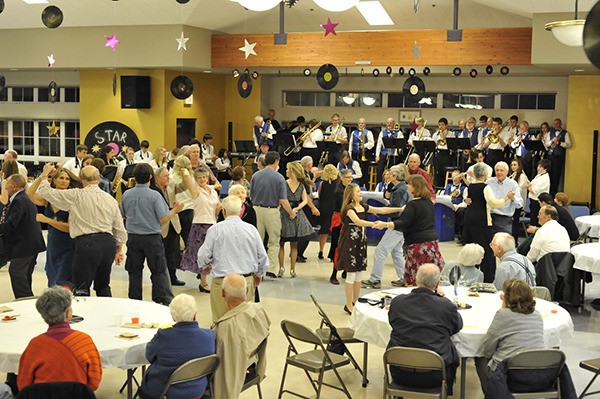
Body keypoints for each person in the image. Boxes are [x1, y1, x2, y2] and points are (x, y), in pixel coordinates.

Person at [37, 164, 127, 297]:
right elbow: (119, 228)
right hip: (108, 244)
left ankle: (85, 314)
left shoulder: (76, 195)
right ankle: (107, 314)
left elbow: (45, 192)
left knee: (81, 287)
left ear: (80, 178)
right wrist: (119, 250)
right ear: (98, 178)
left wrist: (45, 175)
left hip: (87, 244)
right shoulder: (110, 199)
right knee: (103, 285)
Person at [388, 264, 463, 395]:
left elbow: (392, 322)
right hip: (435, 375)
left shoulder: (397, 303)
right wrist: (442, 299)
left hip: (399, 371)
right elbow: (457, 326)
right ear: (437, 283)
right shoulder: (445, 306)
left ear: (416, 280)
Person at [197, 196, 268, 322]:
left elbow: (202, 255)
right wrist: (259, 274)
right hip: (245, 281)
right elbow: (262, 256)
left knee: (221, 321)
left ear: (224, 211)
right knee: (245, 321)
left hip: (222, 282)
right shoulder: (251, 229)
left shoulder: (215, 230)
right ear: (240, 211)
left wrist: (205, 266)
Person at [17, 286, 102, 391]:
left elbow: (23, 385)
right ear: (68, 313)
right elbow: (94, 382)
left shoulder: (35, 345)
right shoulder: (84, 341)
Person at [121, 163, 181, 305]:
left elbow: (123, 215)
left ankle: (135, 301)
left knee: (134, 271)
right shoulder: (154, 196)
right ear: (150, 177)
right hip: (152, 238)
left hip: (133, 237)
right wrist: (175, 210)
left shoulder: (126, 194)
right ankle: (159, 300)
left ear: (134, 177)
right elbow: (163, 218)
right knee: (158, 271)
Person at [338, 183, 401, 313]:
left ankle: (356, 301)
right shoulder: (349, 209)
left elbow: (382, 210)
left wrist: (399, 209)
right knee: (351, 273)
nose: (360, 194)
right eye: (358, 192)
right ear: (351, 194)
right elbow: (358, 222)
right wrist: (376, 224)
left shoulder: (363, 207)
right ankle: (348, 303)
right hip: (350, 242)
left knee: (359, 273)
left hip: (360, 242)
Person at [139, 293, 216, 399]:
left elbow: (149, 356)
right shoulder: (210, 336)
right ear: (195, 315)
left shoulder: (163, 336)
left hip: (165, 391)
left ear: (173, 317)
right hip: (196, 390)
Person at [474, 278, 543, 394]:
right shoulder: (537, 315)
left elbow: (487, 350)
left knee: (479, 358)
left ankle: (493, 395)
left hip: (508, 375)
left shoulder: (503, 315)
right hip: (535, 372)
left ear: (507, 298)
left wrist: (504, 305)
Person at [373, 174, 445, 286]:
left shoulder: (413, 205)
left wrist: (385, 224)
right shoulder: (429, 203)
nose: (407, 186)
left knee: (417, 276)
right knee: (430, 275)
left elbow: (403, 223)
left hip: (418, 244)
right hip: (432, 243)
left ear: (416, 187)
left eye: (409, 184)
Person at [212, 274, 271, 399]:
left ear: (222, 293)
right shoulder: (259, 311)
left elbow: (222, 370)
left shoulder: (223, 329)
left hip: (232, 379)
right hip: (252, 367)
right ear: (247, 291)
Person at [27, 167, 81, 286]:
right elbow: (30, 195)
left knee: (63, 279)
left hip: (68, 244)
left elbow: (69, 228)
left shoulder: (72, 200)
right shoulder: (48, 199)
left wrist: (47, 220)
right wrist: (43, 175)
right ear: (54, 180)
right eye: (61, 178)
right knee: (52, 276)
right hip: (53, 243)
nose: (64, 181)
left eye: (67, 179)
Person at [462, 163, 513, 282]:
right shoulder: (485, 187)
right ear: (485, 174)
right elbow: (494, 203)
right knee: (486, 250)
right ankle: (488, 279)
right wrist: (506, 197)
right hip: (482, 221)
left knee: (472, 248)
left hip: (469, 219)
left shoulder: (471, 186)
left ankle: (471, 276)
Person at [363, 165, 411, 289]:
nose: (386, 175)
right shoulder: (400, 187)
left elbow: (395, 209)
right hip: (404, 225)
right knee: (397, 252)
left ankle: (375, 279)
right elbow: (387, 197)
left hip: (397, 225)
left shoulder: (399, 190)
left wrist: (380, 212)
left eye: (389, 174)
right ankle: (405, 278)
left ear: (395, 176)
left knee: (380, 251)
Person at [250, 151, 295, 279]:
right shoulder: (279, 178)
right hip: (272, 211)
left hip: (257, 209)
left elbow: (251, 195)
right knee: (274, 241)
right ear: (276, 162)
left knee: (257, 240)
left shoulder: (255, 175)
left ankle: (257, 269)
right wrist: (291, 213)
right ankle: (271, 269)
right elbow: (283, 200)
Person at [0, 174, 46, 298]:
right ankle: (28, 303)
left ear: (14, 186)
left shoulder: (19, 201)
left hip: (25, 246)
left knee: (17, 273)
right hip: (30, 245)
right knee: (24, 277)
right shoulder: (23, 198)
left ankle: (25, 302)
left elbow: (11, 223)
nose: (5, 187)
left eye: (7, 184)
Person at [179, 168, 221, 293]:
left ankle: (203, 276)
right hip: (200, 226)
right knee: (202, 254)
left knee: (211, 255)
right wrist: (186, 173)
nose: (202, 180)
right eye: (199, 178)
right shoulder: (196, 191)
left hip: (212, 225)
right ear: (196, 180)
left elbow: (217, 207)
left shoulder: (212, 191)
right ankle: (203, 282)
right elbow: (188, 180)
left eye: (204, 177)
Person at [278, 162, 315, 278]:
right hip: (297, 213)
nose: (286, 171)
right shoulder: (301, 185)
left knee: (281, 243)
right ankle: (292, 269)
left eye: (288, 169)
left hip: (285, 213)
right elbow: (305, 200)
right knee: (294, 244)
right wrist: (296, 208)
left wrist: (290, 210)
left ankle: (281, 268)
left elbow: (281, 199)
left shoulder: (284, 184)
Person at [152, 166, 185, 286]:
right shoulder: (153, 190)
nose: (168, 178)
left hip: (173, 223)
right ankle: (162, 278)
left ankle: (173, 277)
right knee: (161, 254)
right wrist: (175, 209)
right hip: (161, 225)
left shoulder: (171, 186)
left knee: (173, 252)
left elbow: (184, 187)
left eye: (168, 175)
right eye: (165, 176)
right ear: (157, 178)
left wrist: (185, 174)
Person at [328, 169, 353, 284]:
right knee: (338, 246)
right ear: (342, 178)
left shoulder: (349, 189)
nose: (350, 179)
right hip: (339, 221)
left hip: (346, 219)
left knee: (347, 246)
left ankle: (345, 270)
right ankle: (334, 273)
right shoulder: (339, 192)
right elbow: (344, 206)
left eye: (351, 177)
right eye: (348, 177)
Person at [486, 162, 523, 235]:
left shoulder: (513, 184)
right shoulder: (489, 182)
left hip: (505, 219)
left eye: (501, 170)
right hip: (490, 217)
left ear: (507, 172)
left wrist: (512, 198)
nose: (499, 172)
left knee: (503, 244)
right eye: (497, 170)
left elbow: (519, 204)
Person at [544, 118, 572, 195]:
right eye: (554, 124)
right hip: (550, 156)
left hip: (558, 157)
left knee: (556, 175)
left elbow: (569, 144)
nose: (555, 125)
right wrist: (552, 141)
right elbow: (546, 144)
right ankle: (548, 193)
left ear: (560, 124)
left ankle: (554, 194)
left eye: (557, 123)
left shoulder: (565, 133)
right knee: (549, 175)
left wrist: (559, 143)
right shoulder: (550, 132)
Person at [316, 165, 338, 260]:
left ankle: (321, 251)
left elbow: (319, 195)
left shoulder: (322, 184)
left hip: (324, 210)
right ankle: (333, 253)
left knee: (324, 232)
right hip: (334, 210)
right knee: (335, 233)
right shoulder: (338, 184)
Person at [348, 118, 374, 187]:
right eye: (359, 123)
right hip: (355, 154)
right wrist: (349, 154)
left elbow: (372, 144)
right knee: (355, 169)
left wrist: (364, 145)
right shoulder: (354, 132)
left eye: (362, 123)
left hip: (364, 154)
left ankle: (364, 185)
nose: (361, 124)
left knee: (364, 171)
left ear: (365, 124)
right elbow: (351, 144)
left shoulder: (368, 132)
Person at [526, 158, 551, 227]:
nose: (538, 168)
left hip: (537, 202)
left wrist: (529, 187)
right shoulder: (539, 175)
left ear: (545, 168)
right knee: (532, 221)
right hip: (533, 201)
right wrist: (529, 186)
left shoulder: (544, 178)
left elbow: (534, 191)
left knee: (535, 222)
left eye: (540, 166)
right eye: (538, 166)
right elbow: (530, 185)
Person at [509, 158, 529, 241]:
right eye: (512, 165)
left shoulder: (522, 176)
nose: (513, 167)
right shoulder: (513, 175)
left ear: (519, 166)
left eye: (515, 165)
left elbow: (520, 190)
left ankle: (515, 240)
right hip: (511, 201)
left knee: (515, 222)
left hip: (518, 202)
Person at [375, 118, 401, 182]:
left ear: (393, 123)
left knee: (392, 171)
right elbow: (379, 144)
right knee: (380, 170)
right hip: (383, 153)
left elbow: (400, 145)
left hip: (393, 155)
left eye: (391, 122)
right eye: (388, 122)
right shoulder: (382, 133)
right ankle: (379, 185)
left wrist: (396, 153)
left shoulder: (398, 133)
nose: (389, 124)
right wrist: (377, 155)